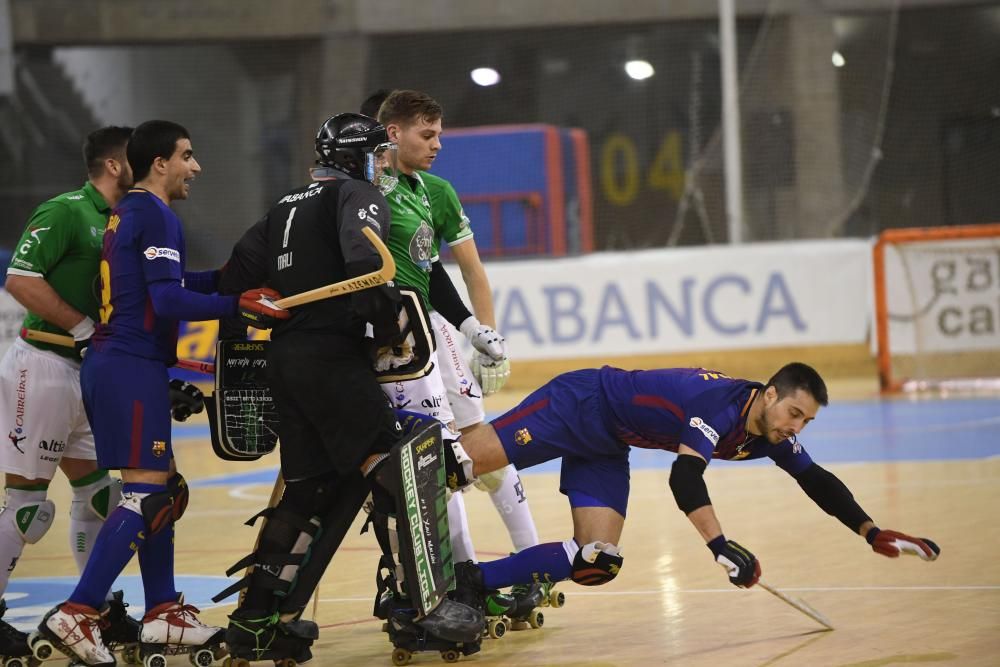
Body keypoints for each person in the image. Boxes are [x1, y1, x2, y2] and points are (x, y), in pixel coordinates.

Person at [215, 112, 484, 664]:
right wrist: (386, 323)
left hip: (284, 359)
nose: (381, 164)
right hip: (332, 357)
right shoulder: (358, 193)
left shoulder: (282, 205)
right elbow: (368, 267)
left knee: (308, 488)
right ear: (358, 157)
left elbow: (233, 281)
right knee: (397, 468)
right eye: (377, 156)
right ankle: (423, 607)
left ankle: (259, 620)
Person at [34, 120, 288, 667]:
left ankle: (163, 613)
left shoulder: (131, 211)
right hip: (128, 365)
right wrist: (240, 305)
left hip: (122, 364)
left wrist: (225, 282)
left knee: (164, 493)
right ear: (160, 164)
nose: (195, 167)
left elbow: (162, 286)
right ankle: (78, 612)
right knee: (148, 495)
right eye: (187, 156)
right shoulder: (156, 214)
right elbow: (168, 303)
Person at [424, 362, 941, 597]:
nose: (796, 427)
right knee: (448, 467)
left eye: (806, 421)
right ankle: (391, 464)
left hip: (606, 444)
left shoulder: (770, 435)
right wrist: (719, 544)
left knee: (597, 560)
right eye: (794, 413)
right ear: (769, 393)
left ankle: (469, 585)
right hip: (577, 403)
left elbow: (817, 480)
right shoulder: (718, 406)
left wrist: (870, 530)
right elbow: (685, 478)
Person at [363, 90, 544, 613]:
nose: (439, 144)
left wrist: (484, 334)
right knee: (430, 465)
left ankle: (529, 561)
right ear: (389, 133)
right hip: (385, 343)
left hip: (431, 335)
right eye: (429, 134)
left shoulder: (435, 191)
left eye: (439, 133)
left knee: (473, 449)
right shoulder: (361, 191)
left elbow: (457, 270)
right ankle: (445, 582)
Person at [0, 126, 139, 661]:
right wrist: (82, 328)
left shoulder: (126, 219)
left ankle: (93, 611)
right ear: (111, 165)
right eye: (138, 158)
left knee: (100, 497)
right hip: (44, 368)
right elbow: (20, 278)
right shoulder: (64, 212)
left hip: (89, 375)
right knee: (26, 508)